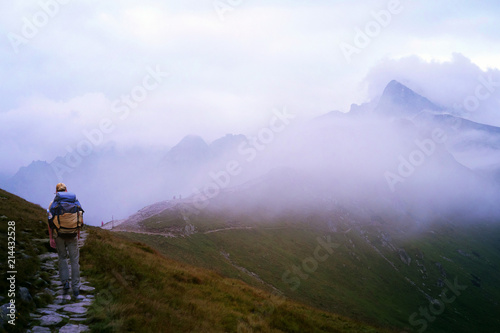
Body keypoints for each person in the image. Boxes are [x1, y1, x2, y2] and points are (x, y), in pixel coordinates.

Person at [47, 183, 84, 298]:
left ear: (56, 191)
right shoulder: (75, 202)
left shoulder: (53, 204)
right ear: (66, 190)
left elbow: (50, 223)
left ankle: (65, 283)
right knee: (74, 261)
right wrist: (77, 233)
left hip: (59, 235)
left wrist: (51, 238)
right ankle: (76, 287)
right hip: (72, 235)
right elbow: (80, 220)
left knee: (62, 258)